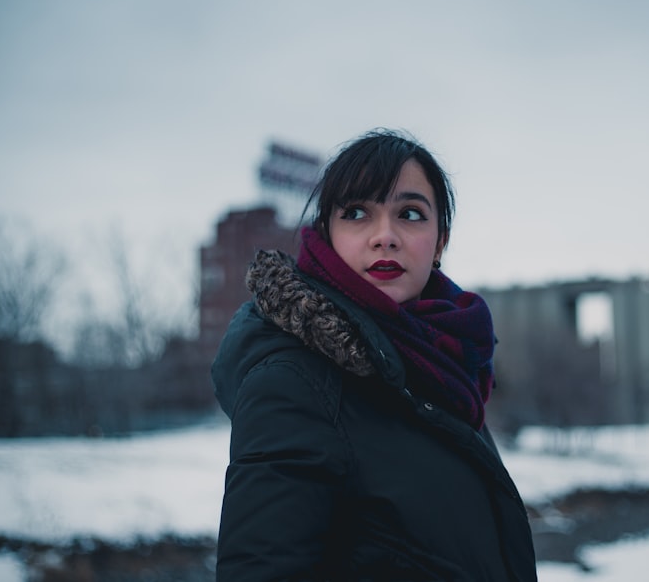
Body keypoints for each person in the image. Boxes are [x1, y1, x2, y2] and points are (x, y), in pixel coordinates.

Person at [211, 128, 537, 581]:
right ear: (326, 235)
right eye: (358, 213)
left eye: (409, 213)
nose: (385, 236)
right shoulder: (292, 383)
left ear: (440, 240)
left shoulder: (445, 368)